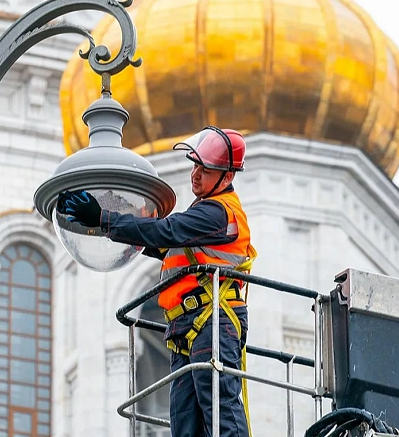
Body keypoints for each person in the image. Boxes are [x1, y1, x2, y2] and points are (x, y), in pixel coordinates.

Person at [57, 126, 257, 437]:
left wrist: (104, 219)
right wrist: (105, 222)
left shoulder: (218, 213)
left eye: (205, 170)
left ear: (227, 177)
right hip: (189, 326)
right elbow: (163, 244)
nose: (195, 175)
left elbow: (165, 231)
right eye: (195, 166)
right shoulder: (204, 214)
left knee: (220, 410)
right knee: (185, 422)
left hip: (213, 321)